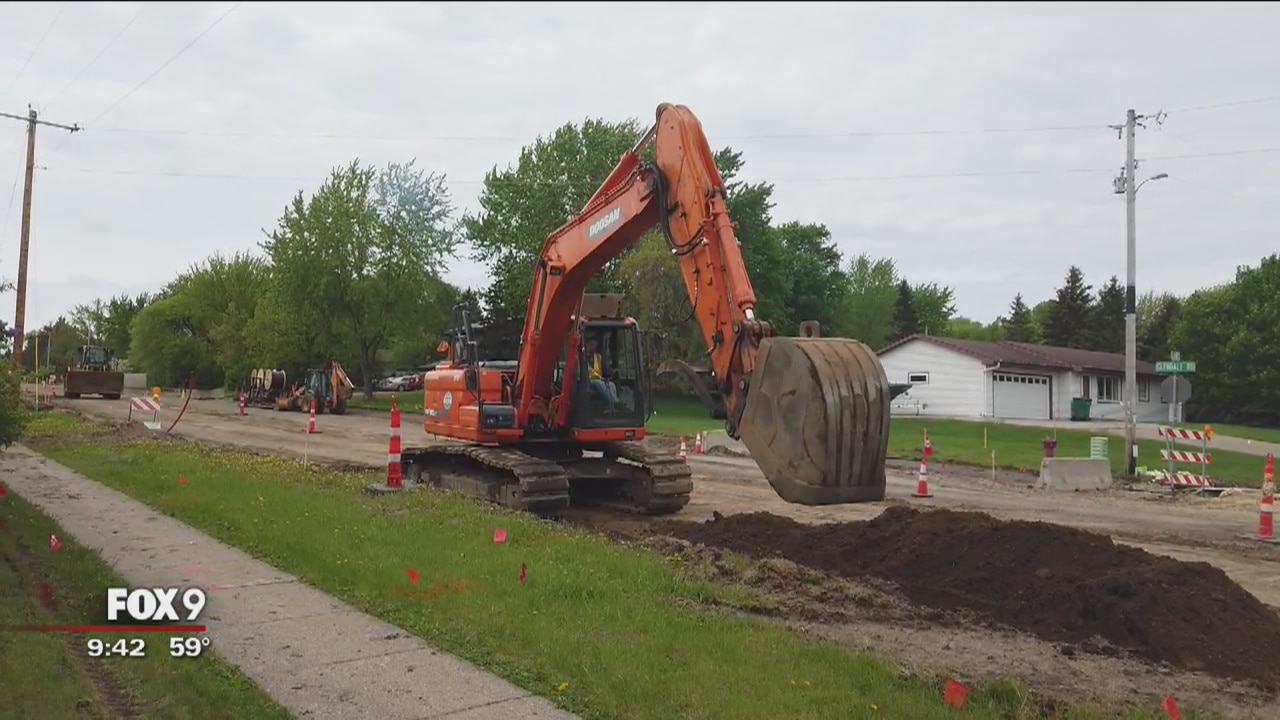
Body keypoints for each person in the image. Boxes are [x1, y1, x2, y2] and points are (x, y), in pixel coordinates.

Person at [583, 337, 619, 412]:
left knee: (611, 384)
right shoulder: (582, 357)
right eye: (592, 345)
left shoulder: (598, 357)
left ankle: (612, 404)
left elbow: (604, 369)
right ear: (587, 345)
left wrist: (613, 372)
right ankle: (614, 402)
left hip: (599, 379)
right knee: (599, 383)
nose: (594, 347)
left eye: (595, 345)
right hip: (587, 381)